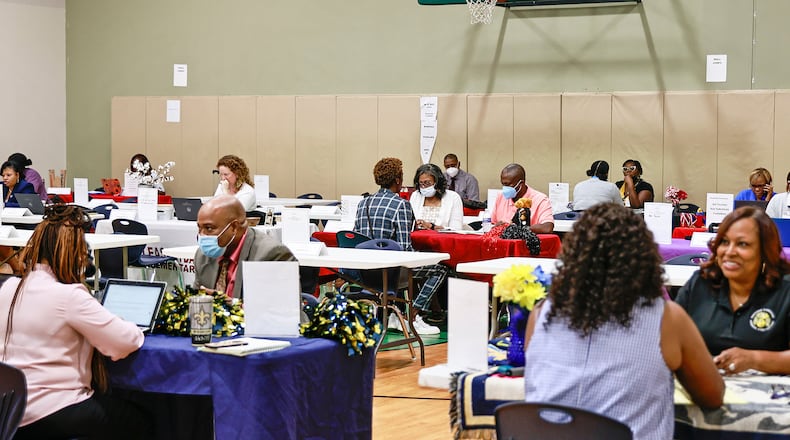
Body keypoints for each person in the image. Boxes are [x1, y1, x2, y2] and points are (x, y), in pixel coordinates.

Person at [523, 204, 724, 439]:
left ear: (572, 257)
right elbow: (712, 396)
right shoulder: (667, 318)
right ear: (643, 259)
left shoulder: (542, 313)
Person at [0, 204, 151, 439]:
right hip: (52, 408)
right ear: (76, 253)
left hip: (9, 410)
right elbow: (124, 342)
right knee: (139, 421)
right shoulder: (70, 296)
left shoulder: (9, 287)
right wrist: (127, 323)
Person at [675, 206, 790, 374]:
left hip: (769, 388)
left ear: (765, 251)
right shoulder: (701, 282)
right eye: (724, 242)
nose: (729, 252)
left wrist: (754, 359)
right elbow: (668, 338)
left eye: (742, 244)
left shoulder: (785, 291)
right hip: (703, 383)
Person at [354, 157, 449, 335]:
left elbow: (356, 238)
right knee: (440, 269)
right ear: (398, 180)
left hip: (365, 272)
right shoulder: (401, 205)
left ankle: (394, 313)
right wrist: (423, 257)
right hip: (391, 272)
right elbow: (405, 249)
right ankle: (412, 315)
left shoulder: (362, 203)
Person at [194, 195, 295, 299]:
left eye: (209, 228)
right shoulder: (202, 256)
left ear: (234, 227)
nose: (202, 235)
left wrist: (233, 305)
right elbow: (196, 301)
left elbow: (282, 305)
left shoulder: (271, 254)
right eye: (199, 228)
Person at [491, 163, 554, 233]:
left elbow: (547, 228)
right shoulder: (501, 197)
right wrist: (497, 227)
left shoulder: (540, 199)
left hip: (528, 239)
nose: (505, 188)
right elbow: (492, 224)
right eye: (503, 184)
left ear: (521, 184)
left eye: (508, 185)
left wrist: (517, 229)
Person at [410, 163, 463, 231]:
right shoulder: (416, 196)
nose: (423, 187)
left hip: (443, 237)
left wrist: (432, 227)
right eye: (421, 183)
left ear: (438, 183)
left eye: (427, 183)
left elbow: (456, 229)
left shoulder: (453, 197)